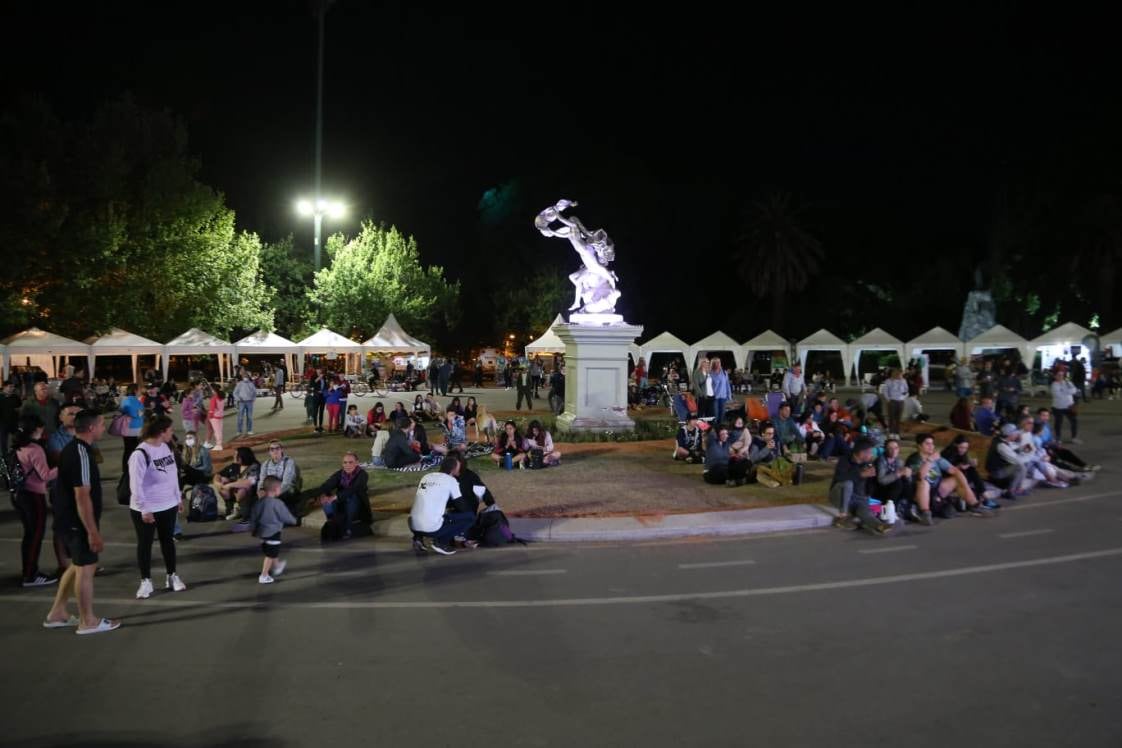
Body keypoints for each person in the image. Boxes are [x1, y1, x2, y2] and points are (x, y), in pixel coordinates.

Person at [43, 409, 120, 634]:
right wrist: (92, 532)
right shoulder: (81, 453)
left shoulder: (73, 449)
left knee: (78, 565)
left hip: (68, 519)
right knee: (86, 568)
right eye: (101, 425)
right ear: (90, 428)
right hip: (77, 522)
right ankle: (88, 621)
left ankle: (57, 613)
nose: (104, 428)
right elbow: (82, 494)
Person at [128, 415, 187, 599]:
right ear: (161, 432)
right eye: (170, 430)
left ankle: (172, 575)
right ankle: (146, 581)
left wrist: (178, 498)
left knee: (167, 541)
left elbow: (172, 475)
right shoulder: (140, 454)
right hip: (147, 509)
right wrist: (144, 509)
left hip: (168, 505)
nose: (172, 433)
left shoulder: (166, 447)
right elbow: (135, 485)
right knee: (145, 544)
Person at [13, 415, 60, 587]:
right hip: (34, 495)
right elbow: (45, 476)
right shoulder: (35, 449)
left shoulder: (17, 446)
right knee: (35, 536)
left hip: (19, 494)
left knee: (29, 535)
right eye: (41, 428)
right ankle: (31, 575)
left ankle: (29, 571)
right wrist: (62, 467)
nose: (43, 431)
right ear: (35, 430)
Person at [906, 433, 992, 524]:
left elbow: (952, 470)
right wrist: (930, 460)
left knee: (957, 477)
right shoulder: (914, 459)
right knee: (924, 483)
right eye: (927, 444)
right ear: (919, 446)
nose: (931, 446)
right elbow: (921, 476)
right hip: (920, 493)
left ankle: (974, 504)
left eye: (932, 444)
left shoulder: (935, 457)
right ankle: (925, 513)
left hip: (936, 490)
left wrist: (965, 484)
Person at [830, 436, 892, 534]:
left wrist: (872, 477)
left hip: (857, 498)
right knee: (848, 483)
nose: (871, 454)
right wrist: (860, 474)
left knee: (864, 509)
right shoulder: (845, 460)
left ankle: (878, 525)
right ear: (861, 452)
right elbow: (840, 478)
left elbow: (870, 488)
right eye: (869, 452)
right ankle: (842, 518)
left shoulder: (868, 463)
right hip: (839, 496)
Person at [408, 455, 469, 555]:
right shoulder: (451, 481)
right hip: (431, 527)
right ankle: (441, 542)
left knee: (427, 512)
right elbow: (461, 506)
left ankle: (418, 538)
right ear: (453, 469)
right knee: (469, 517)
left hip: (413, 524)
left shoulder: (426, 477)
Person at [250, 475, 299, 583]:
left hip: (262, 533)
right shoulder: (277, 503)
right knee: (270, 554)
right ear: (276, 489)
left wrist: (253, 529)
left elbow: (254, 515)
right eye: (280, 488)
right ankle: (264, 575)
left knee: (271, 551)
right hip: (273, 533)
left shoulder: (260, 502)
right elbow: (285, 516)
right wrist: (295, 521)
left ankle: (277, 566)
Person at [318, 451, 372, 538]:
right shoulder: (340, 474)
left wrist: (335, 497)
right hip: (342, 505)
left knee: (352, 497)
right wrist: (322, 494)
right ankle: (333, 525)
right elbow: (327, 485)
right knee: (327, 501)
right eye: (345, 462)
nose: (347, 465)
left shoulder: (363, 475)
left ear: (357, 463)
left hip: (358, 509)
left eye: (351, 462)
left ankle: (348, 528)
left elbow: (353, 489)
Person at [985, 423, 1031, 499]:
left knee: (1020, 467)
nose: (1016, 435)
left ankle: (1016, 489)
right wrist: (1026, 456)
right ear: (1010, 435)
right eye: (1015, 433)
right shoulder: (1001, 446)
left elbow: (1011, 447)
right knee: (1020, 467)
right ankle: (1010, 491)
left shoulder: (1000, 440)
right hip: (996, 473)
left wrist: (1021, 448)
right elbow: (1016, 460)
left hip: (999, 469)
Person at [256, 440, 300, 516]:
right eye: (272, 449)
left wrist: (273, 494)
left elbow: (287, 483)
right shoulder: (265, 464)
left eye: (277, 448)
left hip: (287, 490)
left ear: (281, 449)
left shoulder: (288, 462)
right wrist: (260, 490)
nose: (275, 451)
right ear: (269, 452)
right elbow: (262, 480)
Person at [215, 446, 261, 520]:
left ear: (242, 457)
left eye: (236, 455)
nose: (234, 456)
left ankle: (239, 509)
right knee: (223, 480)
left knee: (241, 489)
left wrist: (230, 485)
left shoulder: (254, 466)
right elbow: (218, 475)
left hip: (250, 494)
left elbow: (249, 482)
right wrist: (218, 483)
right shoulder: (235, 466)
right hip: (234, 493)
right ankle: (231, 510)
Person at [875, 437, 913, 507]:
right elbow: (881, 480)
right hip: (880, 489)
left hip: (894, 489)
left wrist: (908, 475)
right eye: (890, 448)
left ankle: (906, 507)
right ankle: (890, 509)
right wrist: (898, 474)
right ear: (885, 449)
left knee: (907, 482)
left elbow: (906, 478)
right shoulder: (881, 461)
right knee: (897, 483)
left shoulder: (899, 461)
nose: (894, 451)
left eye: (896, 448)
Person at [1050, 369, 1080, 444]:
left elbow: (1074, 390)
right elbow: (1058, 395)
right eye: (1059, 375)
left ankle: (1074, 438)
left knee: (1074, 421)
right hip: (1058, 407)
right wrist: (1068, 391)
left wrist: (1064, 391)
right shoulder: (1054, 384)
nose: (1061, 377)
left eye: (1062, 375)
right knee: (1058, 423)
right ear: (1055, 376)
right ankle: (1058, 438)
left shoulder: (1067, 382)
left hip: (1070, 406)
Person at [883, 368, 908, 437]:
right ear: (892, 373)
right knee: (891, 417)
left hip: (901, 401)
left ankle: (897, 433)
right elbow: (885, 391)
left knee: (898, 418)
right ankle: (891, 432)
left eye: (899, 373)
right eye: (896, 373)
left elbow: (907, 390)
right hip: (892, 401)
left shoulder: (903, 381)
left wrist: (903, 397)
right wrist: (888, 400)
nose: (898, 375)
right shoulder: (888, 381)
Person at [1, 379, 22, 456]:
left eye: (13, 387)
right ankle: (4, 455)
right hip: (3, 423)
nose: (12, 388)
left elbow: (20, 407)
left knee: (17, 438)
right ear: (4, 387)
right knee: (3, 440)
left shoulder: (15, 397)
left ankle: (16, 454)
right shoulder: (0, 397)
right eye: (10, 387)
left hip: (14, 422)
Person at [709, 357, 732, 425]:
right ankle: (714, 429)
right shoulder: (710, 373)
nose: (717, 364)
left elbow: (727, 384)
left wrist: (729, 395)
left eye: (718, 362)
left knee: (722, 414)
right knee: (715, 414)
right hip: (714, 397)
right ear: (712, 364)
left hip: (723, 396)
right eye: (715, 362)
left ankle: (720, 428)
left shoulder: (724, 372)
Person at [233, 373, 257, 438]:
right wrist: (238, 399)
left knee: (249, 417)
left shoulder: (251, 384)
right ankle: (239, 431)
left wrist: (253, 399)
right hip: (241, 402)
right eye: (244, 376)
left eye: (246, 376)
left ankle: (249, 430)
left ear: (248, 377)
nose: (245, 377)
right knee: (240, 417)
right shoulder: (239, 384)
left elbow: (255, 392)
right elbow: (235, 392)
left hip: (249, 402)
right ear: (242, 377)